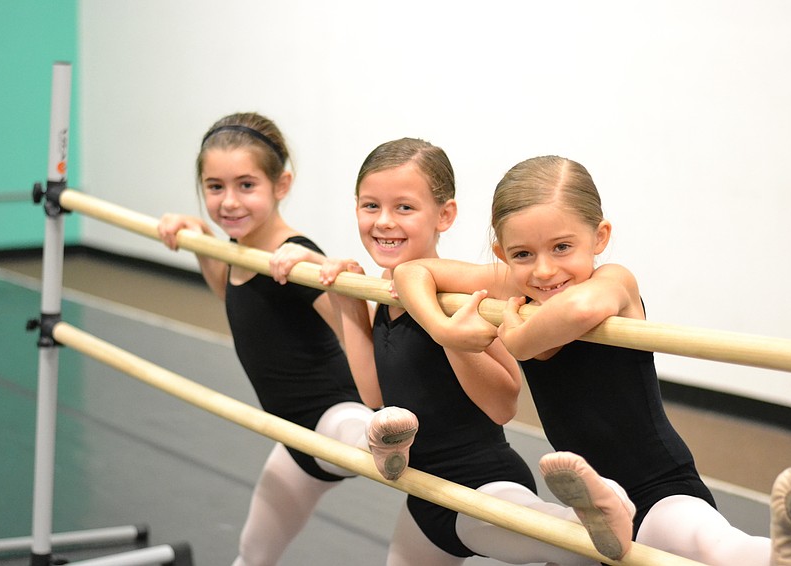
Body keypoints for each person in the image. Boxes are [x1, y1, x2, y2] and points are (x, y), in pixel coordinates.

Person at [392, 154, 791, 565]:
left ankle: (779, 554)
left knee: (708, 542)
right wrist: (443, 329)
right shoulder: (518, 284)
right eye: (523, 254)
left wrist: (521, 340)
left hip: (659, 488)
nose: (544, 270)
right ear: (503, 253)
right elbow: (411, 271)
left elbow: (579, 311)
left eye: (562, 247)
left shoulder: (615, 282)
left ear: (599, 237)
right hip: (594, 507)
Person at [270, 138, 637, 565]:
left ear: (444, 215)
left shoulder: (462, 301)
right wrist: (347, 303)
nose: (384, 222)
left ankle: (605, 505)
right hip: (424, 496)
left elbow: (503, 405)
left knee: (572, 544)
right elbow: (374, 397)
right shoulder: (385, 296)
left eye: (404, 208)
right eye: (370, 206)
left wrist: (454, 341)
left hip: (477, 483)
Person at [157, 112, 417, 566]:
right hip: (292, 437)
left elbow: (371, 328)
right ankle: (371, 441)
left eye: (246, 185)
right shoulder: (240, 248)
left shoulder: (293, 261)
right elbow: (230, 292)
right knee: (252, 554)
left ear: (281, 185)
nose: (229, 202)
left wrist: (321, 271)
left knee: (347, 428)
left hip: (333, 412)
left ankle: (379, 442)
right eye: (215, 187)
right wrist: (199, 238)